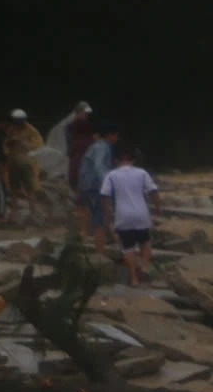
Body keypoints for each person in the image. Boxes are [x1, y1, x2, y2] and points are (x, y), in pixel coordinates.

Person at [100, 143, 159, 286]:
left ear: (116, 161)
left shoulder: (111, 175)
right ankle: (144, 267)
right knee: (145, 243)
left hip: (123, 215)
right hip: (141, 214)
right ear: (133, 159)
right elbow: (154, 192)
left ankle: (133, 278)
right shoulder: (142, 173)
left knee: (128, 248)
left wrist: (108, 216)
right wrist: (157, 208)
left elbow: (104, 195)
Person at [55, 103, 94, 235]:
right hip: (80, 168)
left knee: (84, 202)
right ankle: (85, 229)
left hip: (84, 169)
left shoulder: (83, 132)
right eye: (83, 114)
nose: (85, 117)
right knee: (82, 202)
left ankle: (86, 229)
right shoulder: (74, 130)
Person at [73, 124, 116, 241]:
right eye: (115, 135)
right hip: (95, 185)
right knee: (100, 215)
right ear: (110, 135)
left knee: (83, 208)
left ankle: (84, 235)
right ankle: (101, 249)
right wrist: (107, 182)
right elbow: (99, 166)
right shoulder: (103, 147)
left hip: (84, 183)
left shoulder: (94, 146)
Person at [0, 110, 37, 222]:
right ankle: (14, 214)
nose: (18, 123)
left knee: (29, 189)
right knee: (14, 190)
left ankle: (33, 213)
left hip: (26, 163)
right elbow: (5, 144)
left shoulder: (31, 131)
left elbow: (37, 145)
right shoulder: (11, 130)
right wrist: (8, 148)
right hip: (13, 163)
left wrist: (25, 144)